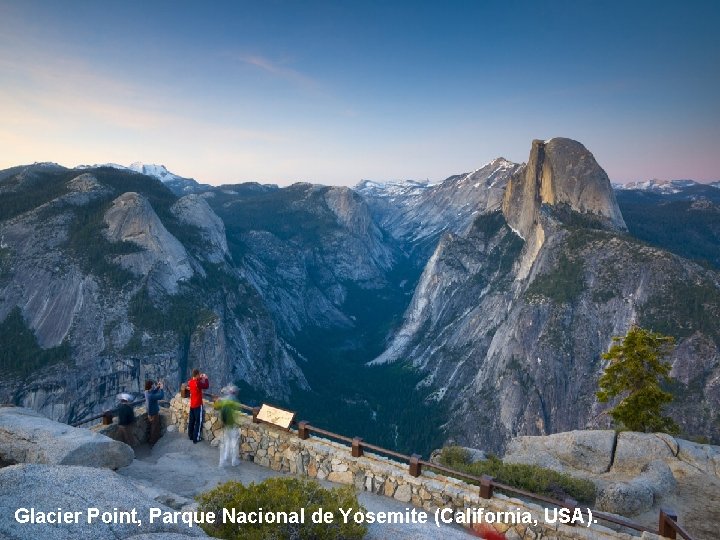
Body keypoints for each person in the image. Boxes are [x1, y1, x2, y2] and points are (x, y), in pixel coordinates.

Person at [213, 384, 241, 467]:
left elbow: (216, 407)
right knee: (234, 443)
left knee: (226, 442)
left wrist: (217, 400)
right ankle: (234, 461)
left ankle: (223, 460)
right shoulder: (234, 402)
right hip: (232, 425)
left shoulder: (224, 400)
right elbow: (237, 414)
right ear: (235, 393)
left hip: (225, 425)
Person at [187, 369, 209, 443]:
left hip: (192, 405)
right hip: (198, 405)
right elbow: (206, 386)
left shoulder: (190, 382)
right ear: (196, 375)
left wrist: (200, 377)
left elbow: (196, 380)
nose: (200, 375)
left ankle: (190, 435)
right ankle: (196, 438)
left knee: (191, 421)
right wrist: (206, 379)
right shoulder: (197, 383)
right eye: (199, 375)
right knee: (198, 422)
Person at [144, 380, 164, 445]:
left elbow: (153, 392)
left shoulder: (146, 392)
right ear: (150, 386)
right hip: (154, 413)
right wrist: (161, 388)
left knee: (152, 427)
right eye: (152, 385)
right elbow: (161, 396)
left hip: (150, 413)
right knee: (154, 427)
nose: (153, 386)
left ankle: (152, 439)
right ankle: (153, 442)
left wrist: (157, 387)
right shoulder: (150, 396)